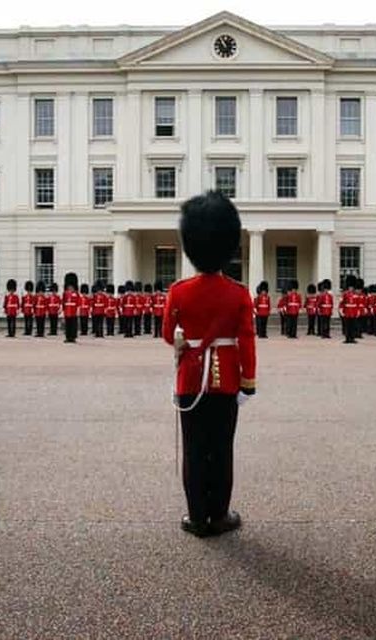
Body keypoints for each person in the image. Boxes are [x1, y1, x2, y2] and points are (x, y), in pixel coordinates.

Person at [163, 190, 256, 538]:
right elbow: (247, 342)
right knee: (221, 448)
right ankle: (219, 515)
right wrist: (248, 382)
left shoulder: (178, 291)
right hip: (227, 379)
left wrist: (184, 342)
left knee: (193, 448)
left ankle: (196, 516)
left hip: (189, 378)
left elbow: (167, 334)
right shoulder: (238, 293)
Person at [339, 274, 359, 344]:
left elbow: (357, 304)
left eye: (352, 287)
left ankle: (352, 338)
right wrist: (341, 310)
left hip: (353, 312)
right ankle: (347, 338)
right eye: (350, 287)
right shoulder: (345, 294)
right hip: (347, 311)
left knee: (353, 326)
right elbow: (342, 303)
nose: (351, 288)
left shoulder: (356, 294)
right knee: (347, 326)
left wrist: (358, 311)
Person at [62, 273, 80, 343]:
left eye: (71, 287)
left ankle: (73, 337)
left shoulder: (76, 293)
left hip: (73, 312)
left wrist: (78, 310)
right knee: (67, 325)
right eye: (69, 286)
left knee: (73, 326)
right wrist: (63, 311)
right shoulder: (65, 293)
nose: (70, 288)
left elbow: (78, 302)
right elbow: (63, 302)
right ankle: (68, 337)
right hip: (67, 312)